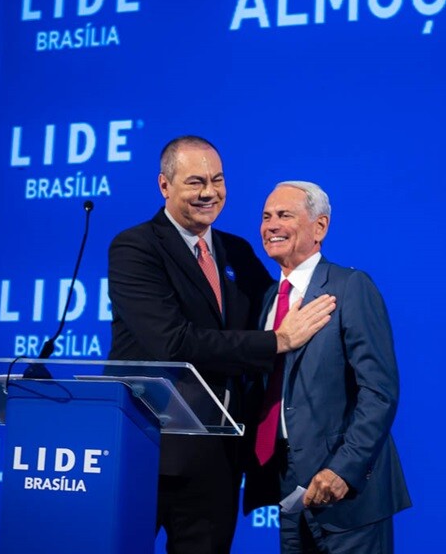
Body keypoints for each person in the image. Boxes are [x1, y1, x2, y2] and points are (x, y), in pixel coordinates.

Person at [108, 137, 336, 554]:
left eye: (217, 180)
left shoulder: (237, 250)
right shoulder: (135, 248)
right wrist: (277, 341)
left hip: (217, 455)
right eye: (196, 182)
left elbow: (278, 308)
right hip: (145, 452)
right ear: (165, 185)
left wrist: (328, 288)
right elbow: (172, 342)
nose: (209, 192)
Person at [244, 181, 411, 553]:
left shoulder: (350, 287)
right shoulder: (267, 299)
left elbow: (379, 392)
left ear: (320, 227)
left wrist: (343, 469)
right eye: (266, 217)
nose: (271, 225)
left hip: (347, 496)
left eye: (284, 215)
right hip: (289, 493)